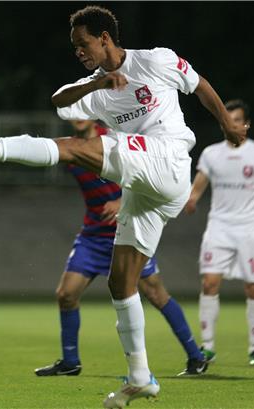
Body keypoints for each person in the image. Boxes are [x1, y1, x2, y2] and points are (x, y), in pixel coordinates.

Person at [0, 5, 246, 407]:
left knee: (75, 148)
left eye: (83, 44)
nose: (78, 51)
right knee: (122, 282)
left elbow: (200, 84)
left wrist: (225, 122)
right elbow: (59, 100)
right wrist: (95, 84)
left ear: (105, 37)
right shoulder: (94, 87)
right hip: (145, 189)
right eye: (74, 47)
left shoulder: (156, 60)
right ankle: (140, 377)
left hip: (169, 159)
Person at [34, 120, 207, 379]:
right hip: (93, 236)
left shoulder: (115, 139)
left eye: (84, 109)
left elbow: (145, 170)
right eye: (74, 112)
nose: (78, 115)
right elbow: (43, 152)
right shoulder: (71, 149)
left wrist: (120, 200)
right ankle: (70, 362)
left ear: (93, 114)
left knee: (157, 294)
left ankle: (196, 357)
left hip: (128, 232)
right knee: (66, 294)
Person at [185, 99, 254, 367]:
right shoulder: (212, 154)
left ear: (246, 124)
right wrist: (191, 199)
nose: (232, 124)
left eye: (237, 120)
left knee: (253, 287)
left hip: (250, 229)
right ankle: (208, 346)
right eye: (228, 120)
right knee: (209, 283)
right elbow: (198, 186)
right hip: (219, 227)